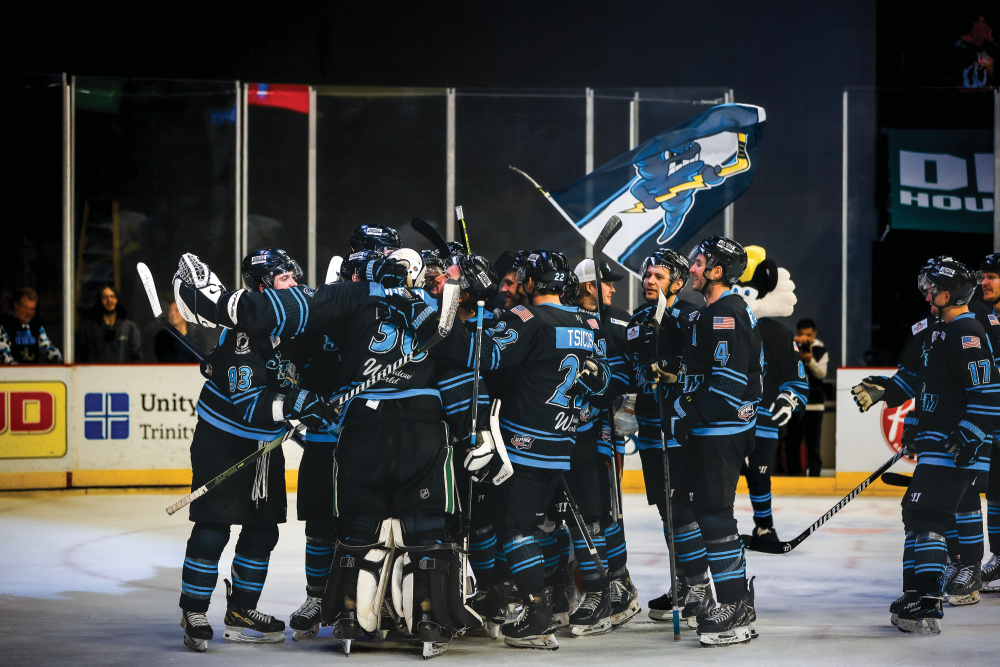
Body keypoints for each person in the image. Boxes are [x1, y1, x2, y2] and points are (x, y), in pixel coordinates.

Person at [175, 249, 336, 653]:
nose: (294, 285)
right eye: (284, 280)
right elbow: (251, 405)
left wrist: (312, 401)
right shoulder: (243, 335)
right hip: (224, 441)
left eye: (294, 277)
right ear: (263, 289)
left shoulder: (296, 324)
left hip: (265, 444)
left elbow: (308, 374)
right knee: (213, 527)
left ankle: (242, 610)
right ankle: (193, 610)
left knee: (263, 529)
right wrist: (299, 404)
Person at [852, 257, 998, 634]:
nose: (927, 294)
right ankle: (915, 592)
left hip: (954, 447)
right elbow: (922, 383)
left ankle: (929, 600)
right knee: (916, 514)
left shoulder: (967, 332)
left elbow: (988, 393)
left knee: (929, 516)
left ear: (949, 295)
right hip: (937, 443)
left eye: (932, 289)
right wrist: (889, 395)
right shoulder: (940, 331)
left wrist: (968, 434)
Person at [673, 236, 762, 647]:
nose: (692, 268)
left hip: (719, 430)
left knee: (714, 515)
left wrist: (686, 412)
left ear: (717, 271)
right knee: (703, 512)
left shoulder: (725, 313)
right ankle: (734, 601)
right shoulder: (716, 311)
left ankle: (734, 605)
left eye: (699, 263)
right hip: (714, 428)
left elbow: (729, 382)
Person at [625, 249, 713, 627]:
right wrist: (624, 402)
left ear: (677, 282)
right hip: (648, 429)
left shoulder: (692, 316)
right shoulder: (638, 319)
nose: (649, 281)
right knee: (666, 509)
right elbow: (630, 368)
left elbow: (707, 365)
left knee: (682, 509)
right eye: (647, 275)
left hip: (680, 430)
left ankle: (700, 586)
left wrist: (676, 371)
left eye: (658, 276)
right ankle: (683, 582)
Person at [571, 258, 639, 629]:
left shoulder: (619, 321)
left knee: (603, 506)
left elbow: (631, 372)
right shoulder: (567, 316)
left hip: (602, 429)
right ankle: (585, 584)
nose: (612, 289)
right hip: (568, 430)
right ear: (589, 286)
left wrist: (620, 401)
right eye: (607, 283)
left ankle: (618, 580)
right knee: (579, 509)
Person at [976, 252, 1000, 592]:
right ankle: (999, 555)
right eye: (982, 276)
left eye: (992, 276)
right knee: (994, 493)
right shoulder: (986, 321)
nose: (984, 282)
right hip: (995, 425)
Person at [785, 318, 827, 476]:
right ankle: (793, 475)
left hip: (814, 404)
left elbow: (821, 374)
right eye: (802, 335)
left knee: (813, 444)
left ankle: (815, 475)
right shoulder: (791, 348)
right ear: (797, 334)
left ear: (814, 334)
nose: (805, 339)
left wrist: (810, 360)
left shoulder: (820, 350)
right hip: (795, 403)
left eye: (808, 335)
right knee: (793, 442)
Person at [75, 285, 142, 363]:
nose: (109, 300)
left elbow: (137, 357)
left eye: (112, 296)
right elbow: (79, 356)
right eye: (105, 297)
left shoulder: (129, 327)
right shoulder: (87, 328)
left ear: (117, 300)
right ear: (100, 301)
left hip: (123, 370)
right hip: (95, 370)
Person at [0, 287, 62, 364]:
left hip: (32, 370)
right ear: (16, 305)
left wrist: (59, 360)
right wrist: (17, 368)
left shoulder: (35, 324)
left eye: (32, 309)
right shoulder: (4, 324)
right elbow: (3, 354)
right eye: (25, 308)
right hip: (10, 371)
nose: (29, 312)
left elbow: (47, 347)